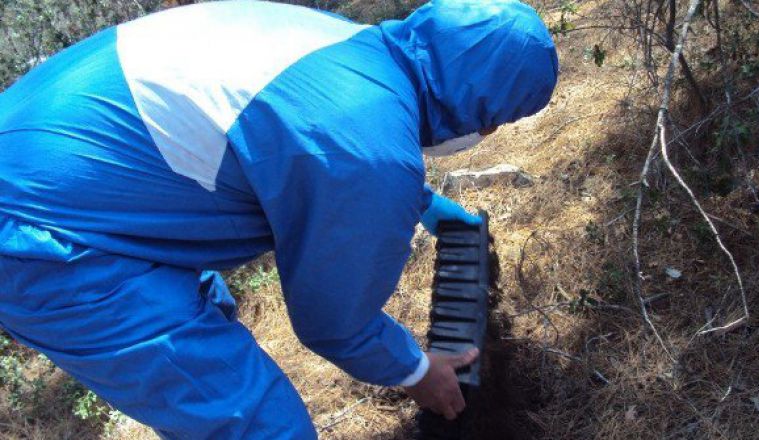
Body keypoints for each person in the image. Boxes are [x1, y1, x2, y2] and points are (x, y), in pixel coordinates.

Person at [0, 0, 558, 438]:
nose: (486, 135)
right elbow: (331, 323)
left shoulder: (346, 47)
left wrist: (429, 206)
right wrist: (416, 372)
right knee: (260, 428)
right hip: (52, 241)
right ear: (479, 106)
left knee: (210, 337)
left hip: (76, 178)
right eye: (495, 122)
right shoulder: (368, 145)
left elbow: (303, 149)